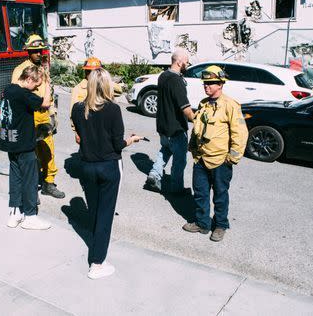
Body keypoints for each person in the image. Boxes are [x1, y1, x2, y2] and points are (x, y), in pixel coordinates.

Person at [71, 68, 142, 279]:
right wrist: (132, 140)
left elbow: (81, 134)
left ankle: (95, 247)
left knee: (94, 210)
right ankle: (97, 262)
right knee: (105, 215)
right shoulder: (113, 110)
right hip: (109, 165)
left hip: (87, 166)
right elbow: (117, 144)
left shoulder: (77, 108)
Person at [184, 65, 248, 242]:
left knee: (220, 195)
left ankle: (220, 225)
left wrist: (232, 158)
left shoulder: (230, 105)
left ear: (221, 84)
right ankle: (202, 223)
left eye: (211, 83)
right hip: (201, 158)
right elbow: (198, 128)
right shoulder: (204, 104)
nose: (207, 86)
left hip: (221, 160)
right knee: (200, 193)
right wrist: (194, 151)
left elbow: (240, 133)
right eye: (205, 83)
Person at [11, 34, 64, 199]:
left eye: (40, 50)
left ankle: (49, 183)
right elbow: (16, 96)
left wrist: (53, 114)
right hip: (30, 118)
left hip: (44, 117)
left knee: (48, 152)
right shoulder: (21, 70)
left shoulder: (43, 68)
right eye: (35, 51)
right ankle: (31, 189)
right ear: (28, 52)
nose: (39, 54)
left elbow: (50, 93)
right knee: (30, 156)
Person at [1, 65, 52, 230]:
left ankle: (15, 213)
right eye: (36, 85)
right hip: (24, 144)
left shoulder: (8, 89)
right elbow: (45, 103)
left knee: (15, 178)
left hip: (10, 142)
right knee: (30, 180)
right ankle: (30, 216)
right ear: (29, 79)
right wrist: (48, 83)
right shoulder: (24, 95)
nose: (36, 88)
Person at [147, 48, 195, 192]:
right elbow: (185, 107)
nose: (188, 64)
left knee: (165, 150)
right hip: (176, 128)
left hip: (163, 126)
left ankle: (154, 174)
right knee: (180, 160)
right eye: (187, 61)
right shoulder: (177, 81)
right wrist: (197, 119)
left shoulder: (163, 76)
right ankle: (177, 188)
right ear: (179, 62)